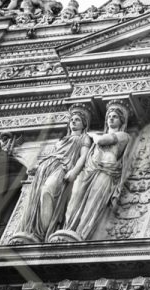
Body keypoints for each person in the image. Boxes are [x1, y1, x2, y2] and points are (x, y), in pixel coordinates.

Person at [49, 101, 130, 242]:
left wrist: (91, 135)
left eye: (115, 117)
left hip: (106, 172)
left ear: (121, 121)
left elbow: (102, 141)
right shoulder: (92, 136)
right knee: (74, 199)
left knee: (93, 203)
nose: (111, 119)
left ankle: (81, 234)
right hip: (89, 169)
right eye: (109, 116)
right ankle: (68, 229)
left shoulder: (123, 135)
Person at [11, 104, 92, 243]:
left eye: (77, 119)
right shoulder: (61, 140)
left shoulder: (84, 139)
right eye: (72, 119)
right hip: (47, 167)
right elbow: (51, 155)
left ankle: (44, 233)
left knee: (47, 191)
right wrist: (36, 166)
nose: (73, 121)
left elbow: (83, 157)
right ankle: (35, 233)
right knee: (35, 199)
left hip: (63, 167)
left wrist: (74, 171)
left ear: (83, 124)